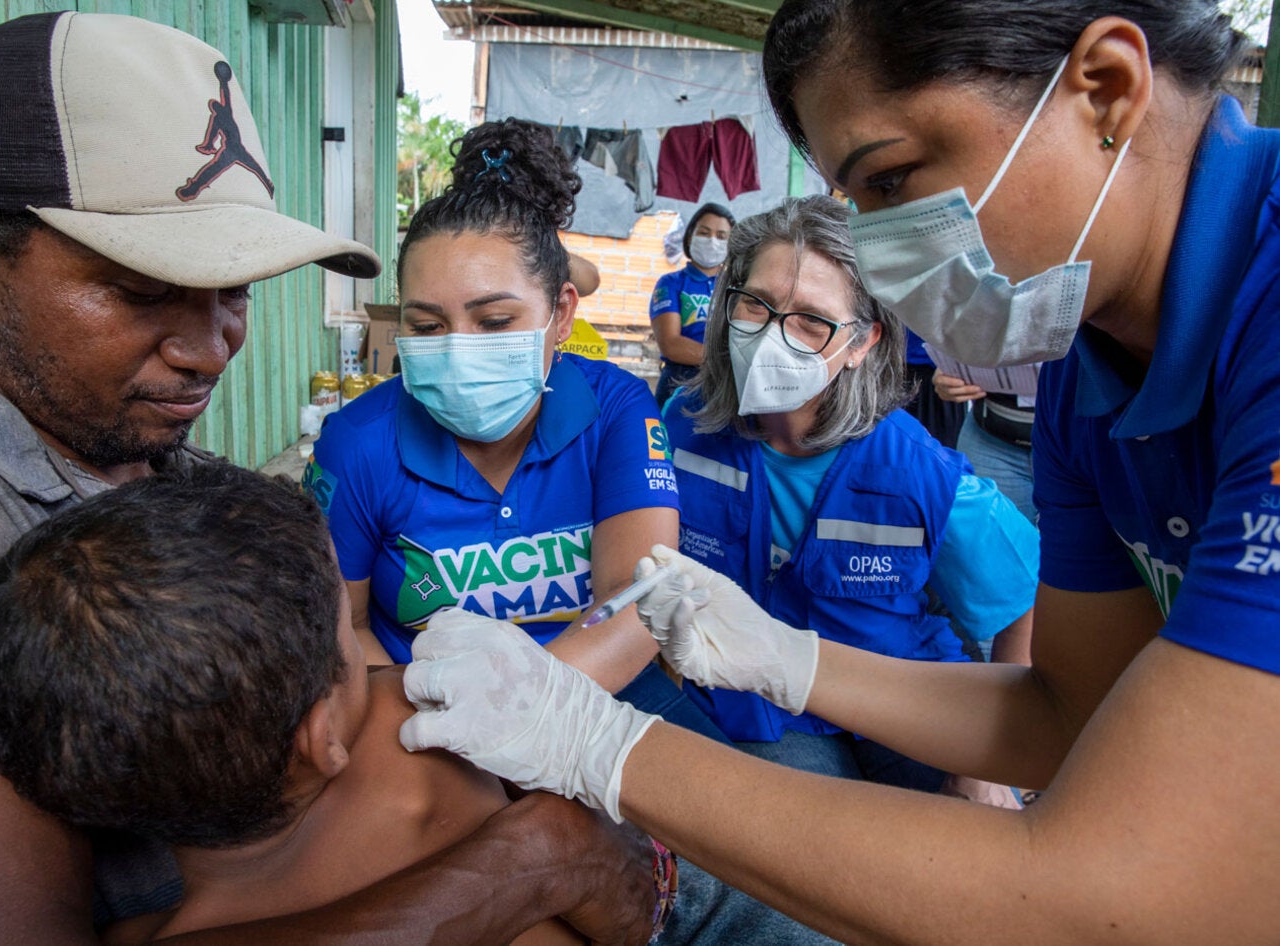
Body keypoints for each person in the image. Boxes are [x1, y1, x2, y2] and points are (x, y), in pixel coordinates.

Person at [393, 2, 1280, 942]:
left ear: (1103, 88)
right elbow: (1072, 713)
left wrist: (598, 746)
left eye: (893, 178)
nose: (889, 265)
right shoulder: (1087, 375)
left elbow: (1111, 891)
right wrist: (792, 661)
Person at [0, 12, 655, 946]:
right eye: (142, 288)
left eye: (234, 288)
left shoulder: (161, 465)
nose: (210, 350)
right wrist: (528, 862)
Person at [305, 118, 835, 946]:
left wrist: (528, 720)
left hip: (616, 702)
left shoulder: (615, 409)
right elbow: (342, 632)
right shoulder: (359, 441)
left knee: (776, 900)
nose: (459, 349)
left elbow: (638, 601)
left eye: (492, 319)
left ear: (561, 313)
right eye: (428, 325)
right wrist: (452, 735)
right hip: (425, 727)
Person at [0, 463, 675, 945]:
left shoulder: (187, 929)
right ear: (319, 735)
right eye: (349, 626)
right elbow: (630, 873)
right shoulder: (421, 719)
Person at [663, 194, 1036, 790]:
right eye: (755, 306)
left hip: (902, 694)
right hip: (760, 703)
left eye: (811, 321)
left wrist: (989, 765)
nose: (772, 338)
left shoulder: (917, 468)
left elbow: (1019, 601)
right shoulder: (683, 426)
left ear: (862, 344)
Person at [649, 202, 735, 407]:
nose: (712, 241)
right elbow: (671, 345)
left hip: (724, 386)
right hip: (679, 382)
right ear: (690, 236)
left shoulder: (736, 287)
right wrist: (728, 359)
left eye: (722, 236)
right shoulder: (670, 283)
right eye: (704, 233)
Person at [934, 368, 1040, 524]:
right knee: (983, 539)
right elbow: (964, 347)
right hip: (992, 436)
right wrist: (950, 367)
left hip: (1074, 442)